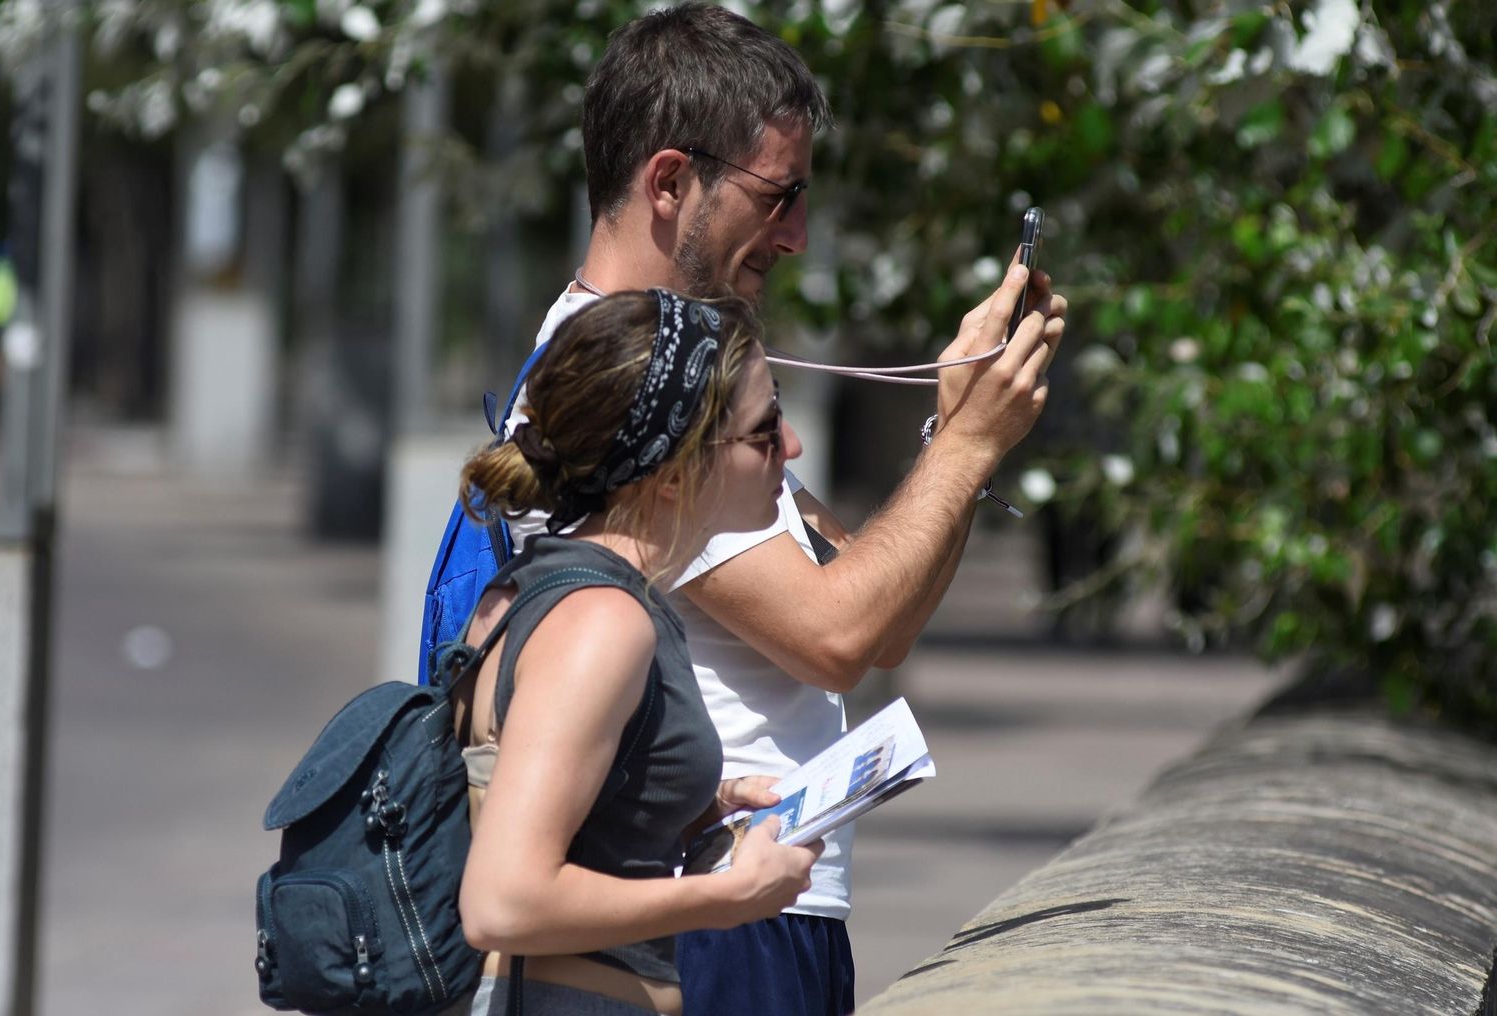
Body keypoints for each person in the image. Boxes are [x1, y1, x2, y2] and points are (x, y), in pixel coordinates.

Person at [454, 5, 1068, 1012]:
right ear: (668, 181)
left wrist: (952, 437)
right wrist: (964, 447)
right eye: (778, 197)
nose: (796, 236)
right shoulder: (627, 385)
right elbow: (840, 632)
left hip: (765, 901)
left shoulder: (699, 375)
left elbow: (880, 613)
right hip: (701, 917)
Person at [453, 288, 825, 1015]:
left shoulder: (545, 589)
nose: (792, 446)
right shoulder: (604, 623)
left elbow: (532, 792)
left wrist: (687, 798)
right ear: (676, 470)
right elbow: (501, 902)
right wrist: (726, 896)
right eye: (764, 428)